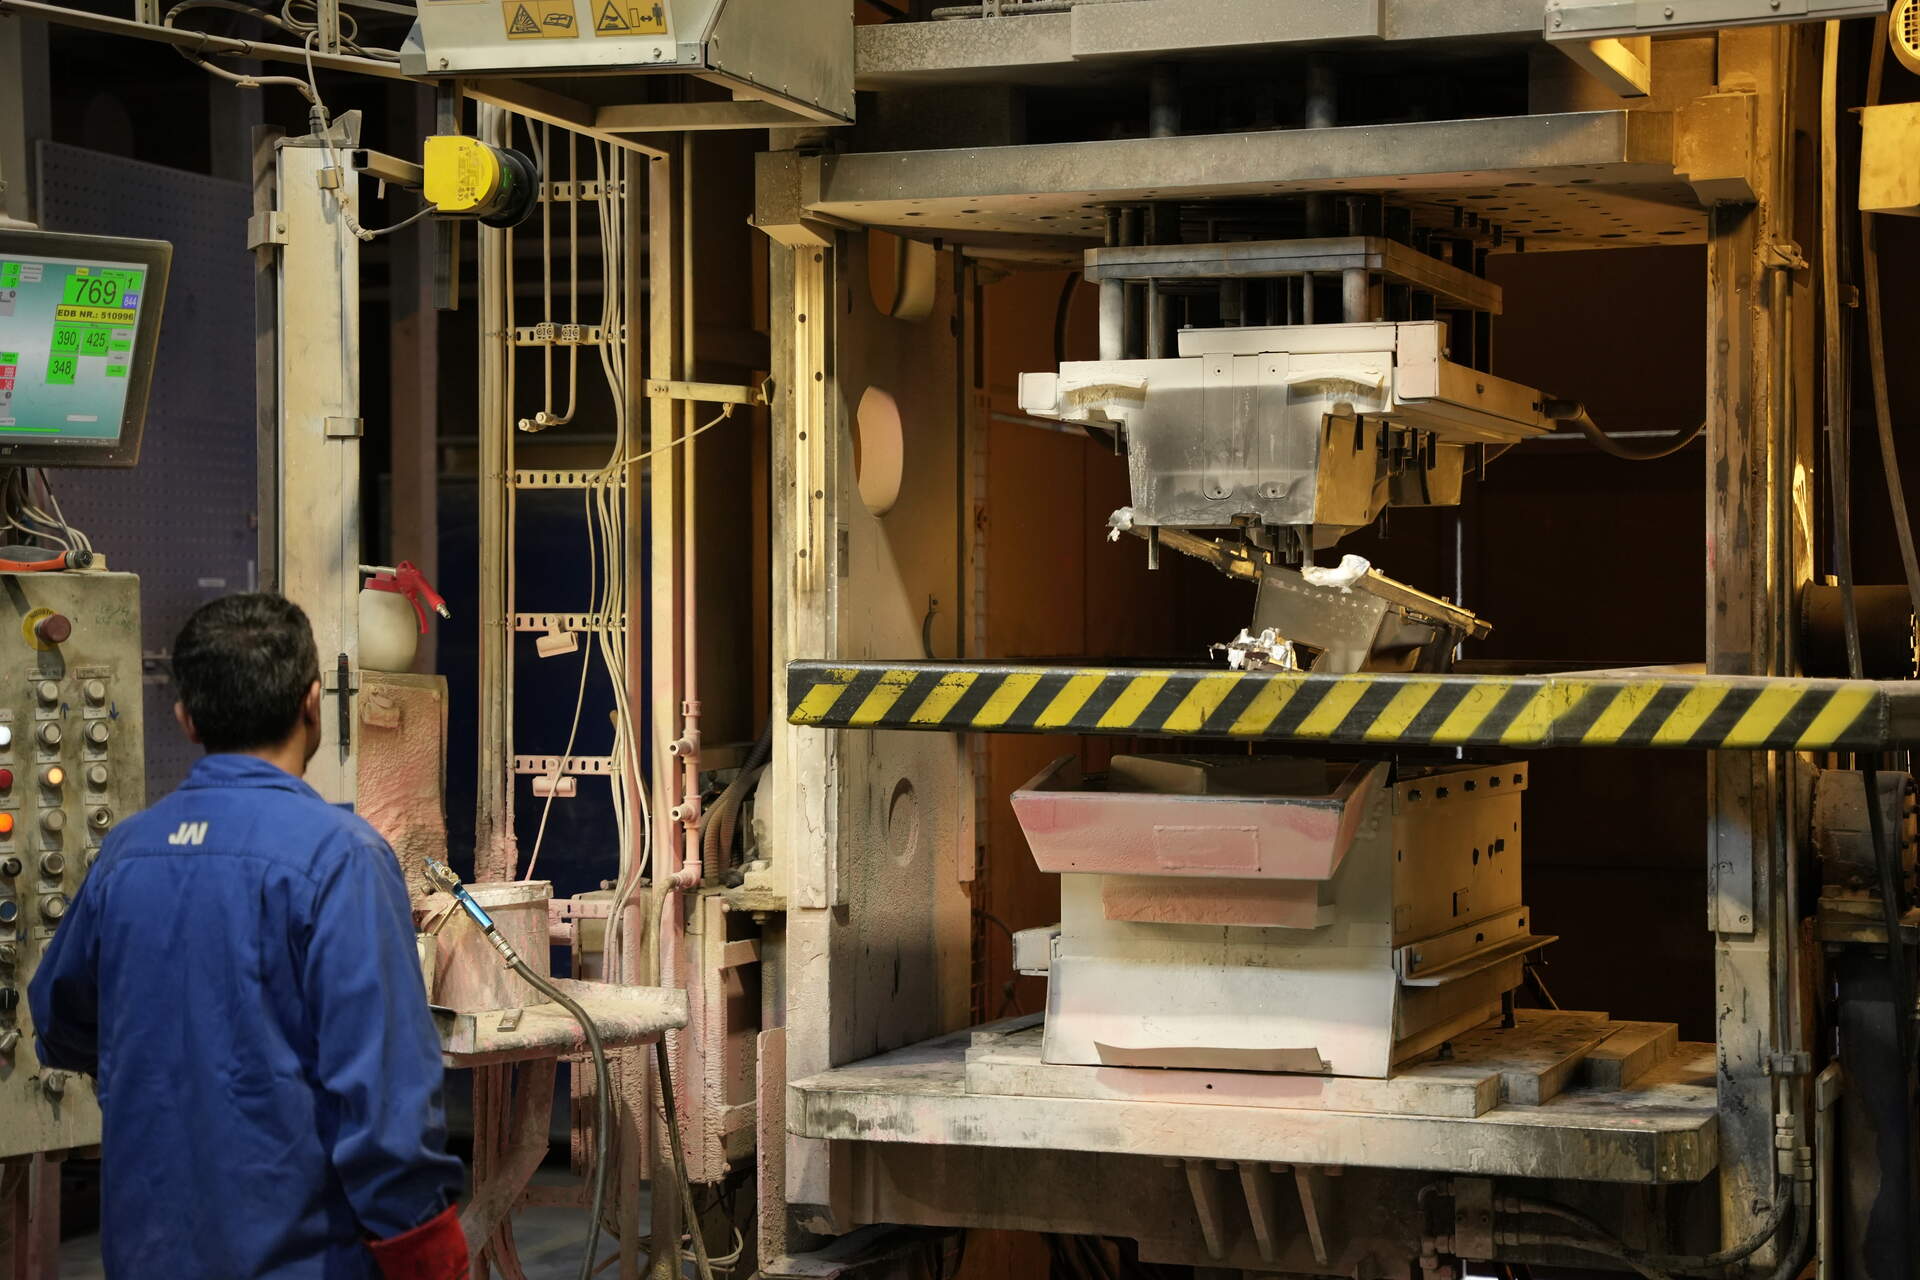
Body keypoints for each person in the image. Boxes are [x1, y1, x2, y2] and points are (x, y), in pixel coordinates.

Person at [28, 593, 466, 1278]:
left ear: (185, 718)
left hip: (146, 1251)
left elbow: (59, 1021)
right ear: (313, 703)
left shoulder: (127, 853)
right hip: (300, 1256)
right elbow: (386, 1098)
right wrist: (426, 1247)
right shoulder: (341, 857)